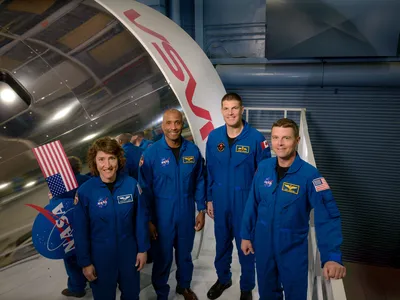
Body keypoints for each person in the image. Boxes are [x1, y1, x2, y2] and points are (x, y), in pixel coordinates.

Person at [241, 118, 346, 300]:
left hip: (293, 249)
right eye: (275, 138)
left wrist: (331, 257)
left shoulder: (310, 176)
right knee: (266, 292)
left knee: (295, 295)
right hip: (263, 244)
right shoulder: (264, 167)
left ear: (297, 140)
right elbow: (253, 202)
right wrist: (246, 235)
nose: (279, 144)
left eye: (286, 138)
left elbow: (327, 216)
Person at [205, 93, 271, 300]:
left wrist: (260, 206)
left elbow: (265, 176)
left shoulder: (256, 139)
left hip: (246, 204)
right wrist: (209, 198)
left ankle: (246, 287)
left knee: (247, 247)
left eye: (234, 108)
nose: (230, 112)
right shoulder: (214, 138)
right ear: (221, 111)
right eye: (226, 108)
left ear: (242, 110)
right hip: (221, 201)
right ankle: (223, 279)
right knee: (222, 244)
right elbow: (209, 170)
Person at [139, 109, 206, 300]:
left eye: (177, 122)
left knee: (185, 253)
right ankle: (161, 292)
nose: (173, 127)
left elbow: (200, 180)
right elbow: (143, 189)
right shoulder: (151, 153)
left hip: (186, 212)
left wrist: (200, 209)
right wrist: (149, 220)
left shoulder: (192, 151)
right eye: (169, 123)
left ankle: (183, 286)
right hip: (161, 215)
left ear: (182, 123)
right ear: (162, 126)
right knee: (162, 256)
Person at [73, 137, 149, 300]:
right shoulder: (85, 192)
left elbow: (140, 220)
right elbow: (80, 231)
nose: (107, 165)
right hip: (100, 257)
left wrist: (142, 249)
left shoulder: (131, 185)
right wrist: (85, 262)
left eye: (111, 158)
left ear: (118, 159)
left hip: (128, 253)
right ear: (94, 161)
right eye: (101, 159)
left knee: (132, 295)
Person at [49, 156, 90, 298]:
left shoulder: (58, 185)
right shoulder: (87, 180)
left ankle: (77, 287)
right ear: (78, 167)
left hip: (69, 227)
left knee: (71, 258)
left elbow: (54, 207)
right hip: (90, 224)